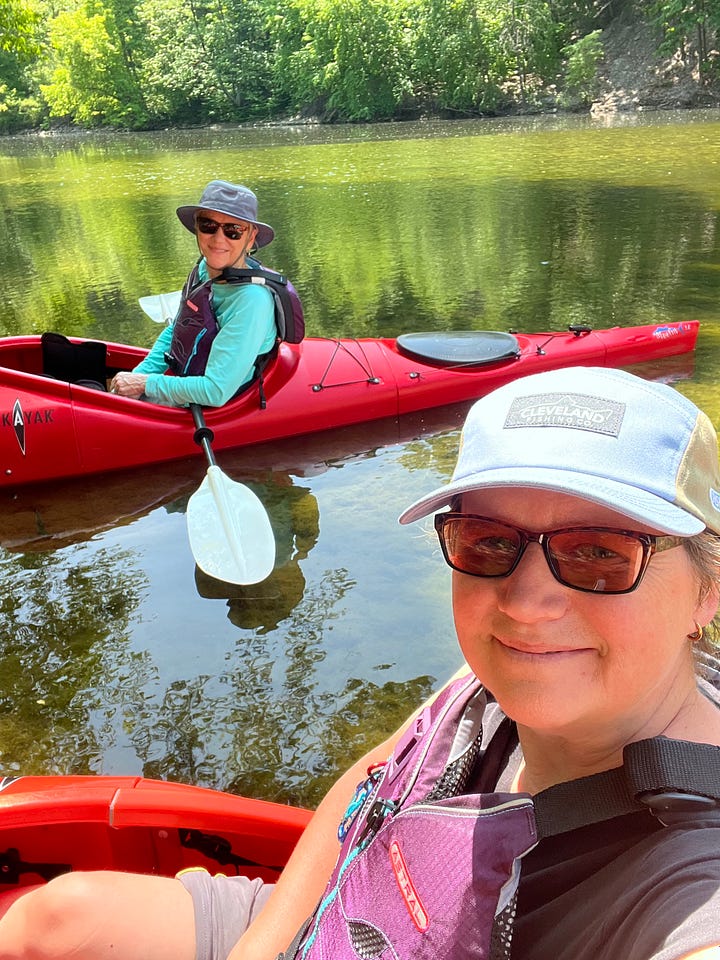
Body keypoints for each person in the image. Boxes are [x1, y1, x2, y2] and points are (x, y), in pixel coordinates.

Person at [2, 365, 720, 960]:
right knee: (60, 921)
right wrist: (266, 949)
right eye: (487, 540)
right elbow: (373, 782)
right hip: (352, 917)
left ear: (706, 592)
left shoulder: (689, 892)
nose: (527, 602)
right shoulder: (496, 680)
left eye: (600, 554)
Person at [109, 180, 278, 407]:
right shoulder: (203, 269)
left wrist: (144, 384)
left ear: (250, 237)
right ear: (197, 228)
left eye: (233, 230)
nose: (219, 239)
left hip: (219, 398)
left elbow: (215, 392)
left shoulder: (251, 301)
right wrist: (137, 376)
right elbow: (177, 329)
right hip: (194, 379)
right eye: (208, 225)